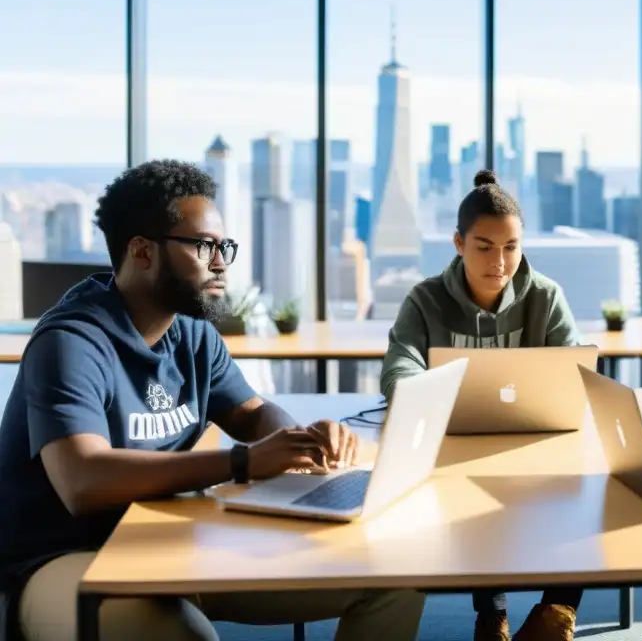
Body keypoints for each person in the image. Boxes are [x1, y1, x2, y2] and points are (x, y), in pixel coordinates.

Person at [0, 160, 425, 641]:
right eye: (204, 246)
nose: (221, 261)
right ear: (141, 252)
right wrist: (243, 462)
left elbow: (255, 413)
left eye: (224, 246)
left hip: (169, 541)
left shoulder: (193, 335)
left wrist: (300, 442)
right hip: (65, 559)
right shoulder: (71, 342)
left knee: (396, 576)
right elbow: (83, 480)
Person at [381, 169, 583, 641]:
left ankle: (558, 610)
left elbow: (576, 371)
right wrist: (426, 396)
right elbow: (398, 369)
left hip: (536, 441)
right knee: (466, 490)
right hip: (456, 444)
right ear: (458, 243)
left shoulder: (546, 297)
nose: (500, 261)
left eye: (511, 247)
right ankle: (492, 613)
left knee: (591, 488)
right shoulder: (425, 299)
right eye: (485, 247)